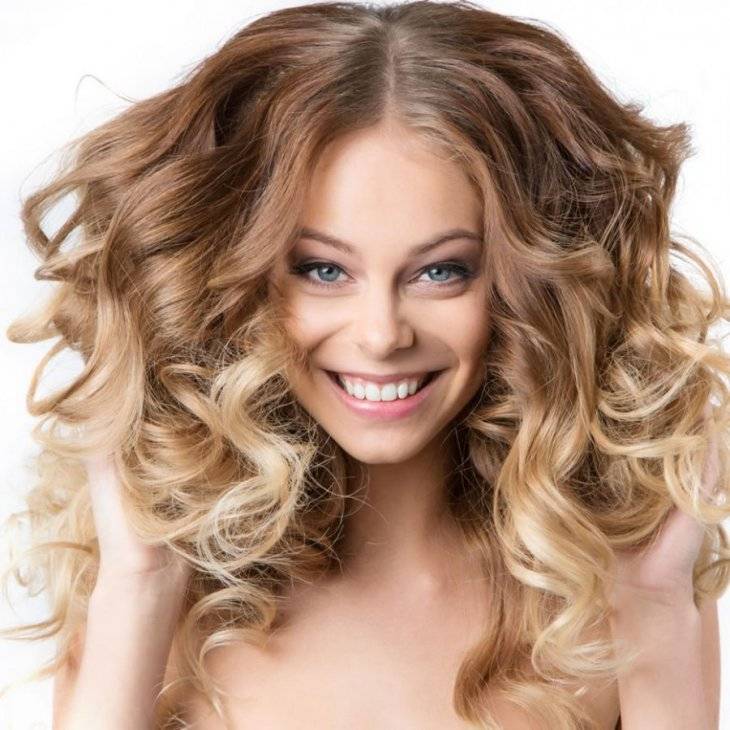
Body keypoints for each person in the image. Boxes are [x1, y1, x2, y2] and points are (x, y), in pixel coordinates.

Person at [2, 1, 728, 728]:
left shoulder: (606, 595)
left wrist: (654, 600)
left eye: (441, 271)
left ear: (528, 286)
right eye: (323, 270)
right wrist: (140, 582)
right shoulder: (166, 595)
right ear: (236, 279)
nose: (381, 335)